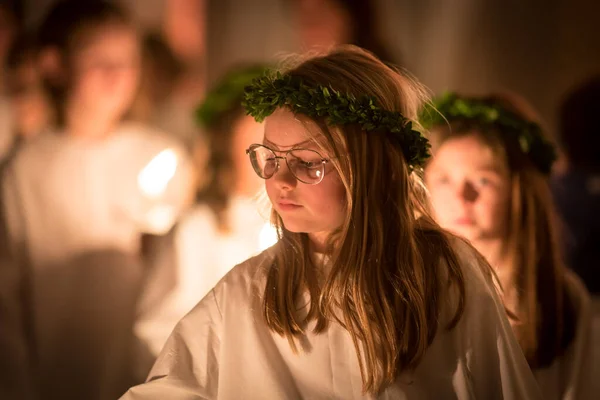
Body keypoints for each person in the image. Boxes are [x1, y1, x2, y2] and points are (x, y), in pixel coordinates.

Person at [121, 46, 541, 399]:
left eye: (306, 164)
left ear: (371, 169)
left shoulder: (445, 273)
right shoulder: (247, 291)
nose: (279, 181)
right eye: (269, 158)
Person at [0, 1, 192, 399]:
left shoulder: (161, 156)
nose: (118, 75)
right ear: (55, 65)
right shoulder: (25, 169)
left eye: (128, 61)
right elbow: (7, 293)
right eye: (100, 60)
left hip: (142, 372)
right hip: (54, 372)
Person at [423, 92, 595, 399]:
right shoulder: (419, 287)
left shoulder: (564, 297)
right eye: (445, 180)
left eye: (483, 180)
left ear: (519, 191)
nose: (462, 196)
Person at [135, 64, 277, 357]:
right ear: (227, 142)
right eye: (258, 137)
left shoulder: (294, 226)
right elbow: (158, 333)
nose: (269, 152)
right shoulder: (199, 230)